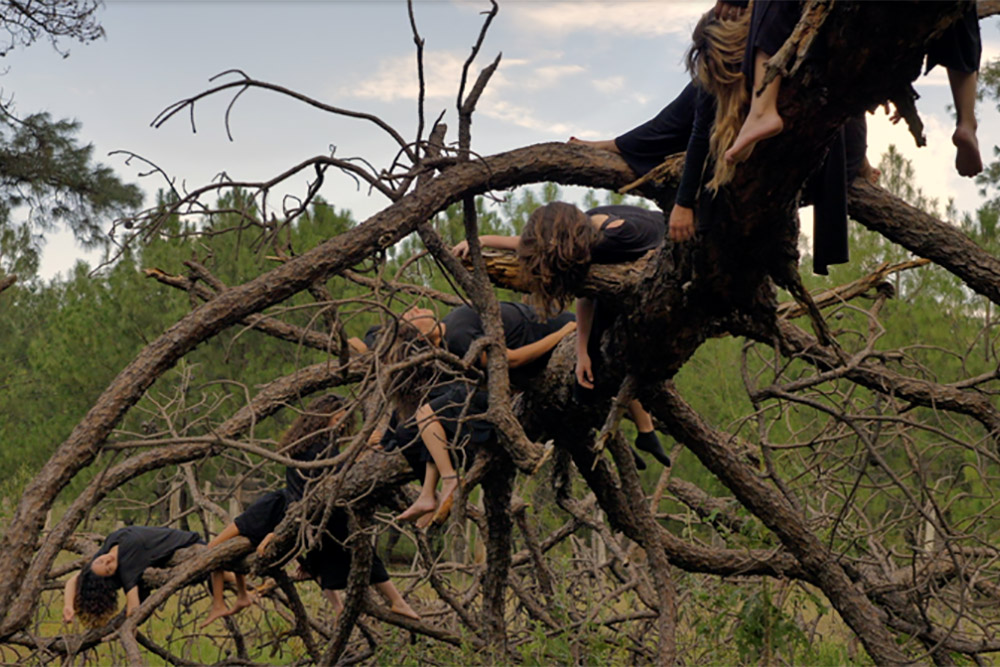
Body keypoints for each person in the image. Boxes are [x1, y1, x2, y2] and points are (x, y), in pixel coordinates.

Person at [452, 204, 674, 472]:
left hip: (650, 284)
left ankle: (639, 432)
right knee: (586, 382)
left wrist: (583, 349)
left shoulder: (614, 241)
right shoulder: (585, 227)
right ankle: (636, 433)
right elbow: (543, 253)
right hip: (628, 271)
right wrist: (479, 241)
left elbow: (588, 293)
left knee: (600, 372)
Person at [201, 394, 418, 625]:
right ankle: (227, 598)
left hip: (292, 510)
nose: (341, 425)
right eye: (337, 419)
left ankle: (235, 596)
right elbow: (341, 474)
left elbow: (336, 473)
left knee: (321, 554)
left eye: (344, 420)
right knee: (217, 548)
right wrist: (365, 449)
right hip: (285, 511)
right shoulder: (319, 447)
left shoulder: (308, 442)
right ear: (322, 417)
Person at [380, 301, 578, 525]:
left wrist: (564, 332)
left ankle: (445, 483)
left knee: (427, 414)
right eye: (411, 315)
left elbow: (512, 359)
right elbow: (508, 361)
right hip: (549, 341)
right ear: (419, 336)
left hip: (558, 330)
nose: (416, 307)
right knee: (425, 420)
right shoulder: (453, 339)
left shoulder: (454, 332)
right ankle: (431, 492)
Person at [62, 526, 206, 627]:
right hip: (188, 545)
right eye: (108, 569)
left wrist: (68, 605)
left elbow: (73, 580)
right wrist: (131, 627)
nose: (107, 560)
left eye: (101, 561)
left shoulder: (107, 549)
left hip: (192, 543)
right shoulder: (127, 566)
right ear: (113, 575)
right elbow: (133, 607)